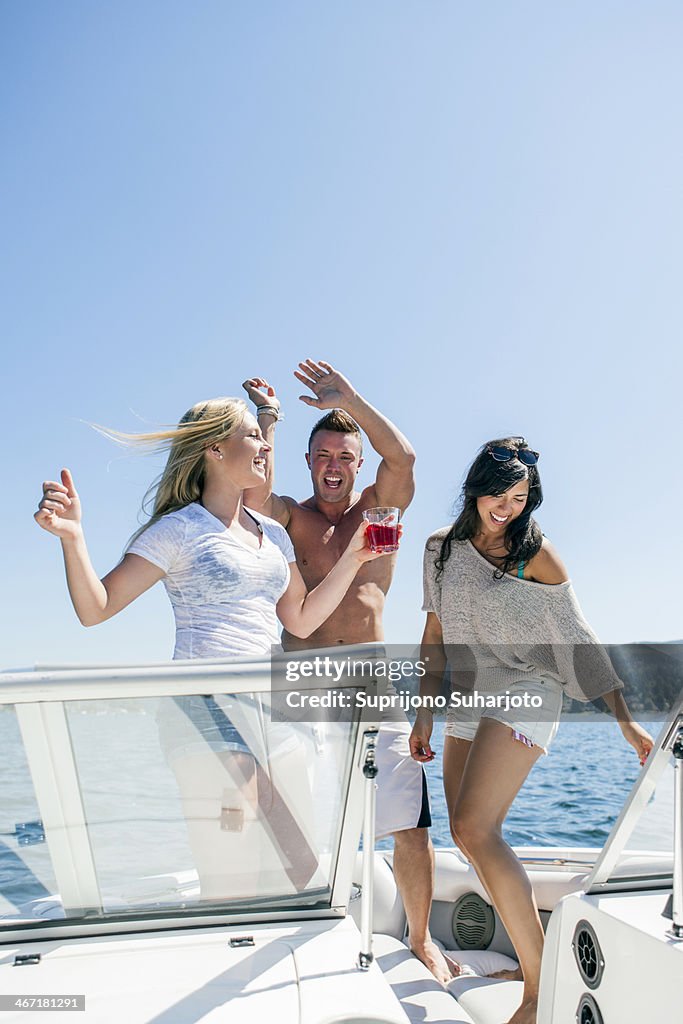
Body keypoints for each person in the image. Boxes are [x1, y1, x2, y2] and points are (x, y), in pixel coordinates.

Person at [34, 394, 395, 899]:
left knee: (293, 871)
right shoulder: (179, 529)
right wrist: (73, 539)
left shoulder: (271, 533)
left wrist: (355, 558)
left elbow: (302, 618)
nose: (265, 445)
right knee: (232, 873)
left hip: (275, 716)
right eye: (252, 434)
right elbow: (97, 609)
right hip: (208, 716)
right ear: (214, 450)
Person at [409, 437, 654, 1024]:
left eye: (521, 498)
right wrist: (424, 712)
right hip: (469, 696)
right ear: (476, 487)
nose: (508, 507)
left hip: (528, 689)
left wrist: (624, 720)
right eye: (500, 493)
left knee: (475, 824)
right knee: (466, 838)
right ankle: (531, 959)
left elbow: (581, 643)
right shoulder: (440, 550)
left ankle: (541, 991)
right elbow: (434, 638)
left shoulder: (537, 556)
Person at [243, 359, 455, 985]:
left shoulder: (377, 511)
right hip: (302, 682)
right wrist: (268, 421)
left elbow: (407, 460)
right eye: (324, 455)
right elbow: (252, 496)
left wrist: (352, 400)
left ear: (358, 464)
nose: (333, 465)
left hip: (369, 680)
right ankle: (304, 929)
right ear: (309, 462)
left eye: (345, 455)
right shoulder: (293, 517)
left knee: (409, 824)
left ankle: (420, 940)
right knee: (297, 816)